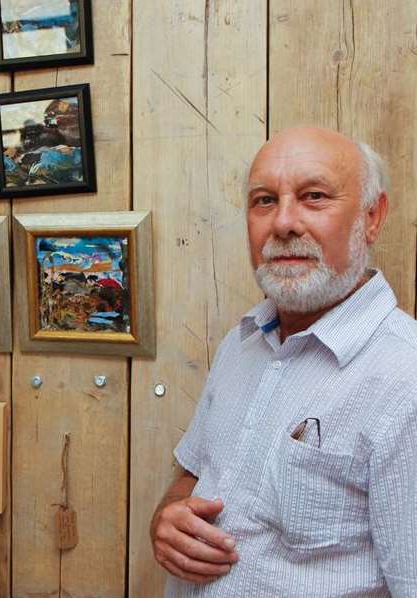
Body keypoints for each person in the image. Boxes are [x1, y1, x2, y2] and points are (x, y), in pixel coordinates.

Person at [150, 126, 417, 597]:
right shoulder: (244, 342)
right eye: (264, 200)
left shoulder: (404, 378)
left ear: (372, 217)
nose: (283, 223)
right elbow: (193, 473)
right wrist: (167, 520)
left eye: (314, 196)